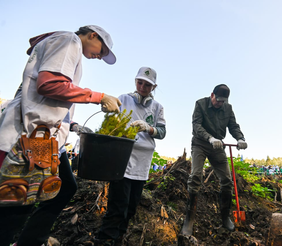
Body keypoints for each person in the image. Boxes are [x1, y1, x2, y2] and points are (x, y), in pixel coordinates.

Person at [0, 25, 122, 246]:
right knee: (16, 203)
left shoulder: (64, 44)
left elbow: (48, 98)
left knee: (65, 187)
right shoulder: (69, 41)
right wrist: (98, 96)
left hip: (47, 137)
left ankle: (31, 240)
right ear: (92, 35)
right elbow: (50, 84)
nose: (99, 57)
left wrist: (72, 124)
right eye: (101, 51)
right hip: (31, 137)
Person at [95, 67, 166, 246]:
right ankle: (104, 239)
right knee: (118, 204)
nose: (142, 87)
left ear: (153, 87)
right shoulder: (124, 99)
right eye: (139, 82)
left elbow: (162, 132)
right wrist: (108, 111)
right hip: (123, 158)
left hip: (143, 162)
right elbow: (112, 120)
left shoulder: (157, 108)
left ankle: (118, 237)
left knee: (132, 206)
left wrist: (149, 128)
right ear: (135, 82)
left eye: (147, 85)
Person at [180, 84, 247, 236]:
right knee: (196, 175)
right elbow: (196, 126)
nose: (219, 104)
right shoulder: (200, 104)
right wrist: (209, 138)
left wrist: (240, 138)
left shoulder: (228, 109)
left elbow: (233, 126)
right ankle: (188, 220)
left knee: (227, 180)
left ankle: (225, 217)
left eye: (223, 102)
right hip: (200, 143)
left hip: (218, 146)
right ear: (212, 96)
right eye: (218, 101)